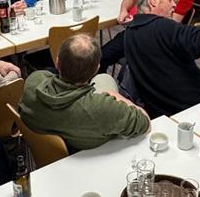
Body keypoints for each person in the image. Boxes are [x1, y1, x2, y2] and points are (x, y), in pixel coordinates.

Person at [20, 34, 150, 153]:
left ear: (58, 61)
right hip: (91, 159)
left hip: (45, 155)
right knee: (106, 79)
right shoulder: (102, 108)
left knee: (103, 79)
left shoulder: (33, 81)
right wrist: (116, 96)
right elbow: (144, 123)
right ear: (96, 69)